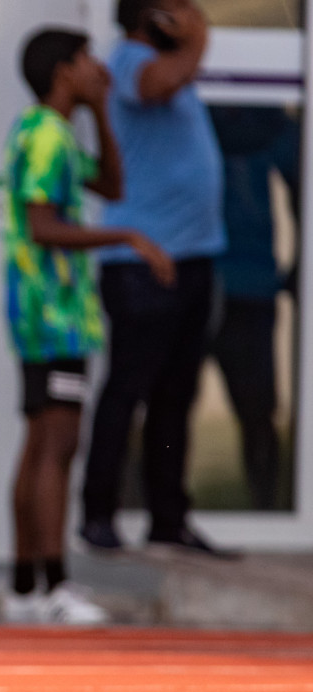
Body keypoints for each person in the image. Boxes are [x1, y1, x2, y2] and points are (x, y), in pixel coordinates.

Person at [0, 29, 173, 623]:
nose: (99, 68)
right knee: (58, 444)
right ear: (62, 70)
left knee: (38, 444)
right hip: (52, 314)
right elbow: (42, 225)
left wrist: (101, 112)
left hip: (45, 314)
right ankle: (54, 587)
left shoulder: (49, 132)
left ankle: (25, 587)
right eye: (86, 60)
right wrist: (126, 236)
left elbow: (113, 186)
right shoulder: (47, 136)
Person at [79, 0, 230, 557]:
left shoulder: (172, 66)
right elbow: (156, 85)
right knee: (128, 389)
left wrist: (191, 46)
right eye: (180, 8)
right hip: (144, 263)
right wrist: (196, 40)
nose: (191, 16)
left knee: (176, 395)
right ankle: (98, 514)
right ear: (154, 17)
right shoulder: (129, 62)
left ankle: (168, 516)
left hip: (192, 256)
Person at [208, 105, 298, 510]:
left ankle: (267, 511)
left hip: (241, 284)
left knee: (258, 413)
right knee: (171, 408)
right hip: (213, 281)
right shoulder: (268, 119)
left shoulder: (268, 119)